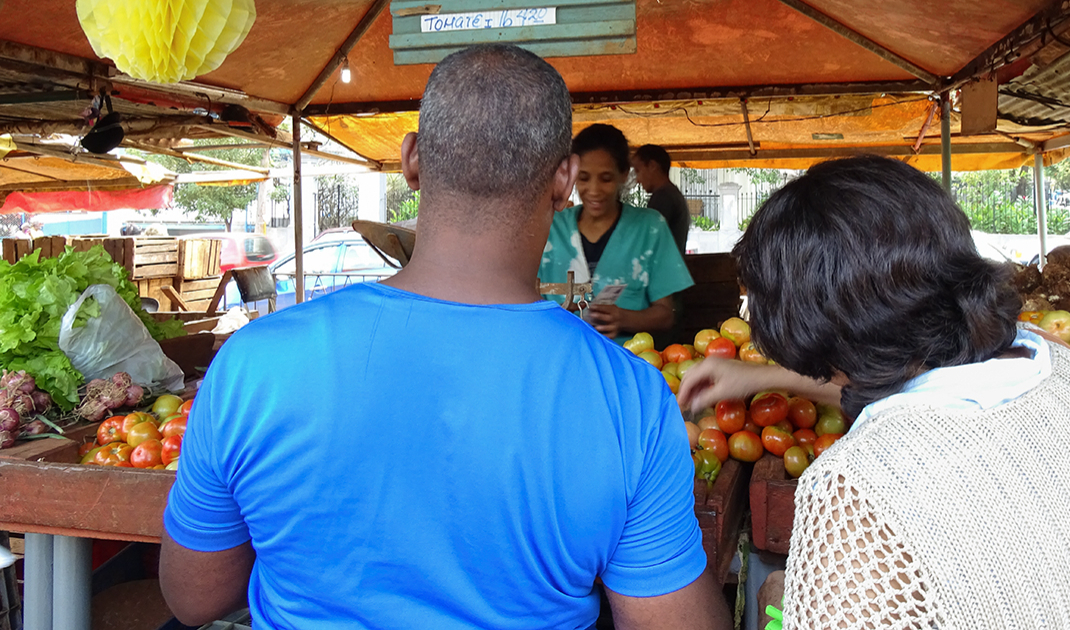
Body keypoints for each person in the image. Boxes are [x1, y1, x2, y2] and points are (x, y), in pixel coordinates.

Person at [160, 44, 732, 630]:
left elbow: (195, 598)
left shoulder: (254, 363)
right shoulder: (630, 398)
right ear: (563, 181)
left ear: (411, 159)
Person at [678, 156, 1070, 630]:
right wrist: (764, 378)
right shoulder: (1067, 369)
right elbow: (914, 402)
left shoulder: (854, 489)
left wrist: (787, 605)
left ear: (814, 328)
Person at [539, 124, 694, 344]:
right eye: (583, 178)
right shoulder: (551, 228)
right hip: (561, 361)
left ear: (623, 174)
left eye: (606, 179)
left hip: (628, 363)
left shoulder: (650, 228)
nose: (593, 190)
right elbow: (527, 300)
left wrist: (623, 318)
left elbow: (666, 314)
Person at [632, 144, 689, 254]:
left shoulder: (663, 197)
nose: (637, 180)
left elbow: (647, 241)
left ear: (652, 166)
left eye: (638, 170)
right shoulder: (673, 194)